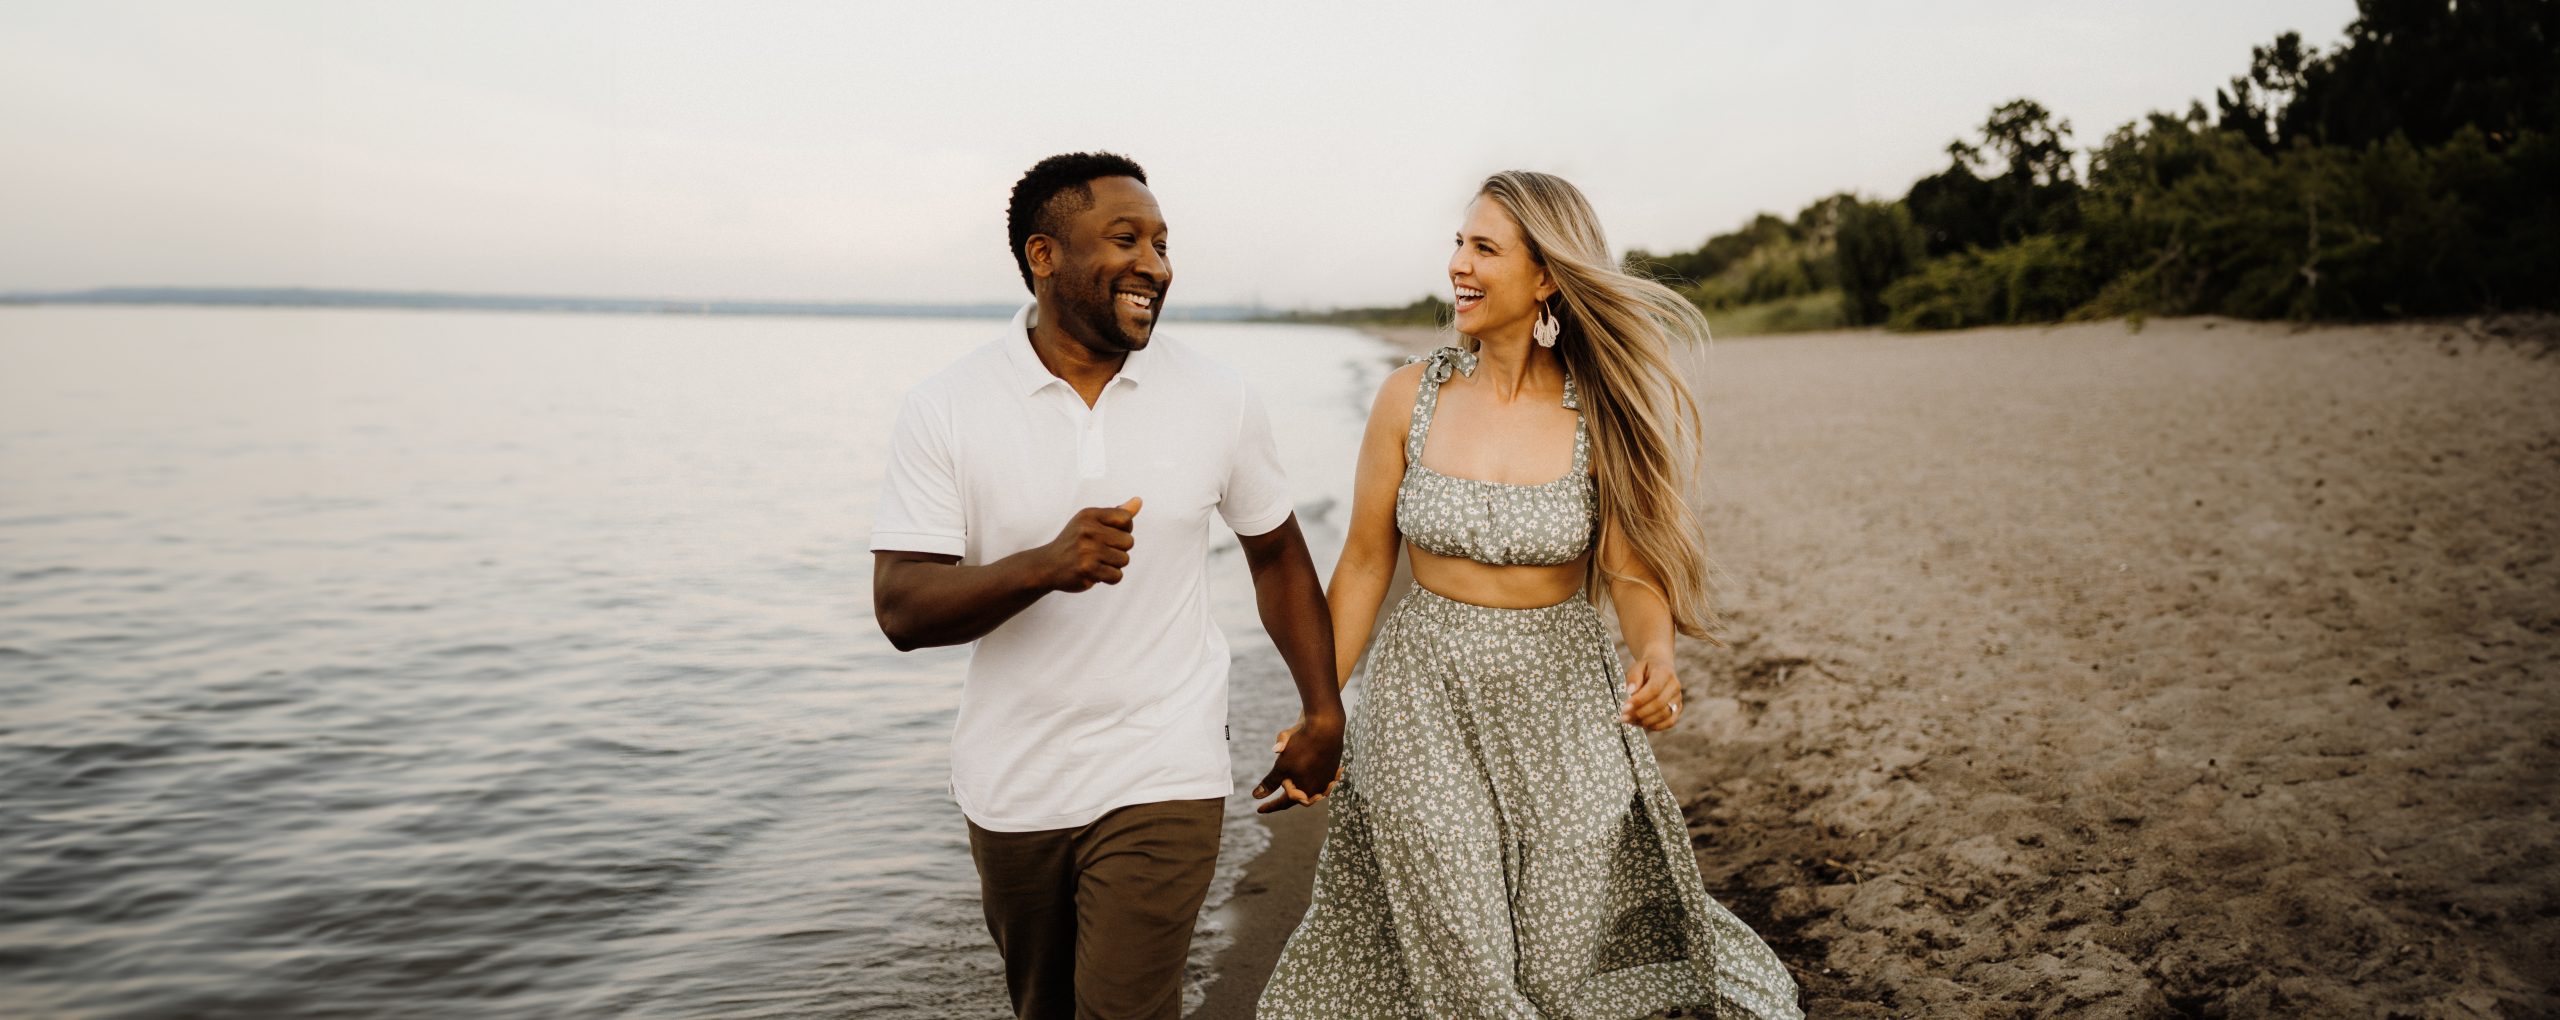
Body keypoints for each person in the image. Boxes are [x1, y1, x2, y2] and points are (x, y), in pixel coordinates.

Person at [1257, 171, 1802, 1018]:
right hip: (1422, 697)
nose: (1458, 267)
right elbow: (1366, 563)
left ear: (1546, 275)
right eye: (1459, 244)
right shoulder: (1412, 394)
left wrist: (1655, 653)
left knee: (1554, 968)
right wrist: (1321, 704)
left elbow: (1628, 569)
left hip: (1563, 703)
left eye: (1484, 249)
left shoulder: (1605, 411)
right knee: (1464, 954)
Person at [869, 151, 1344, 1020]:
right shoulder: (945, 407)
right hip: (1013, 780)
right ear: (1044, 256)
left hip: (1165, 759)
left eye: (1162, 244)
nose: (1155, 266)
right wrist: (1047, 565)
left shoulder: (1218, 396)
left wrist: (1323, 709)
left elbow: (1275, 551)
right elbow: (901, 607)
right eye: (1126, 240)